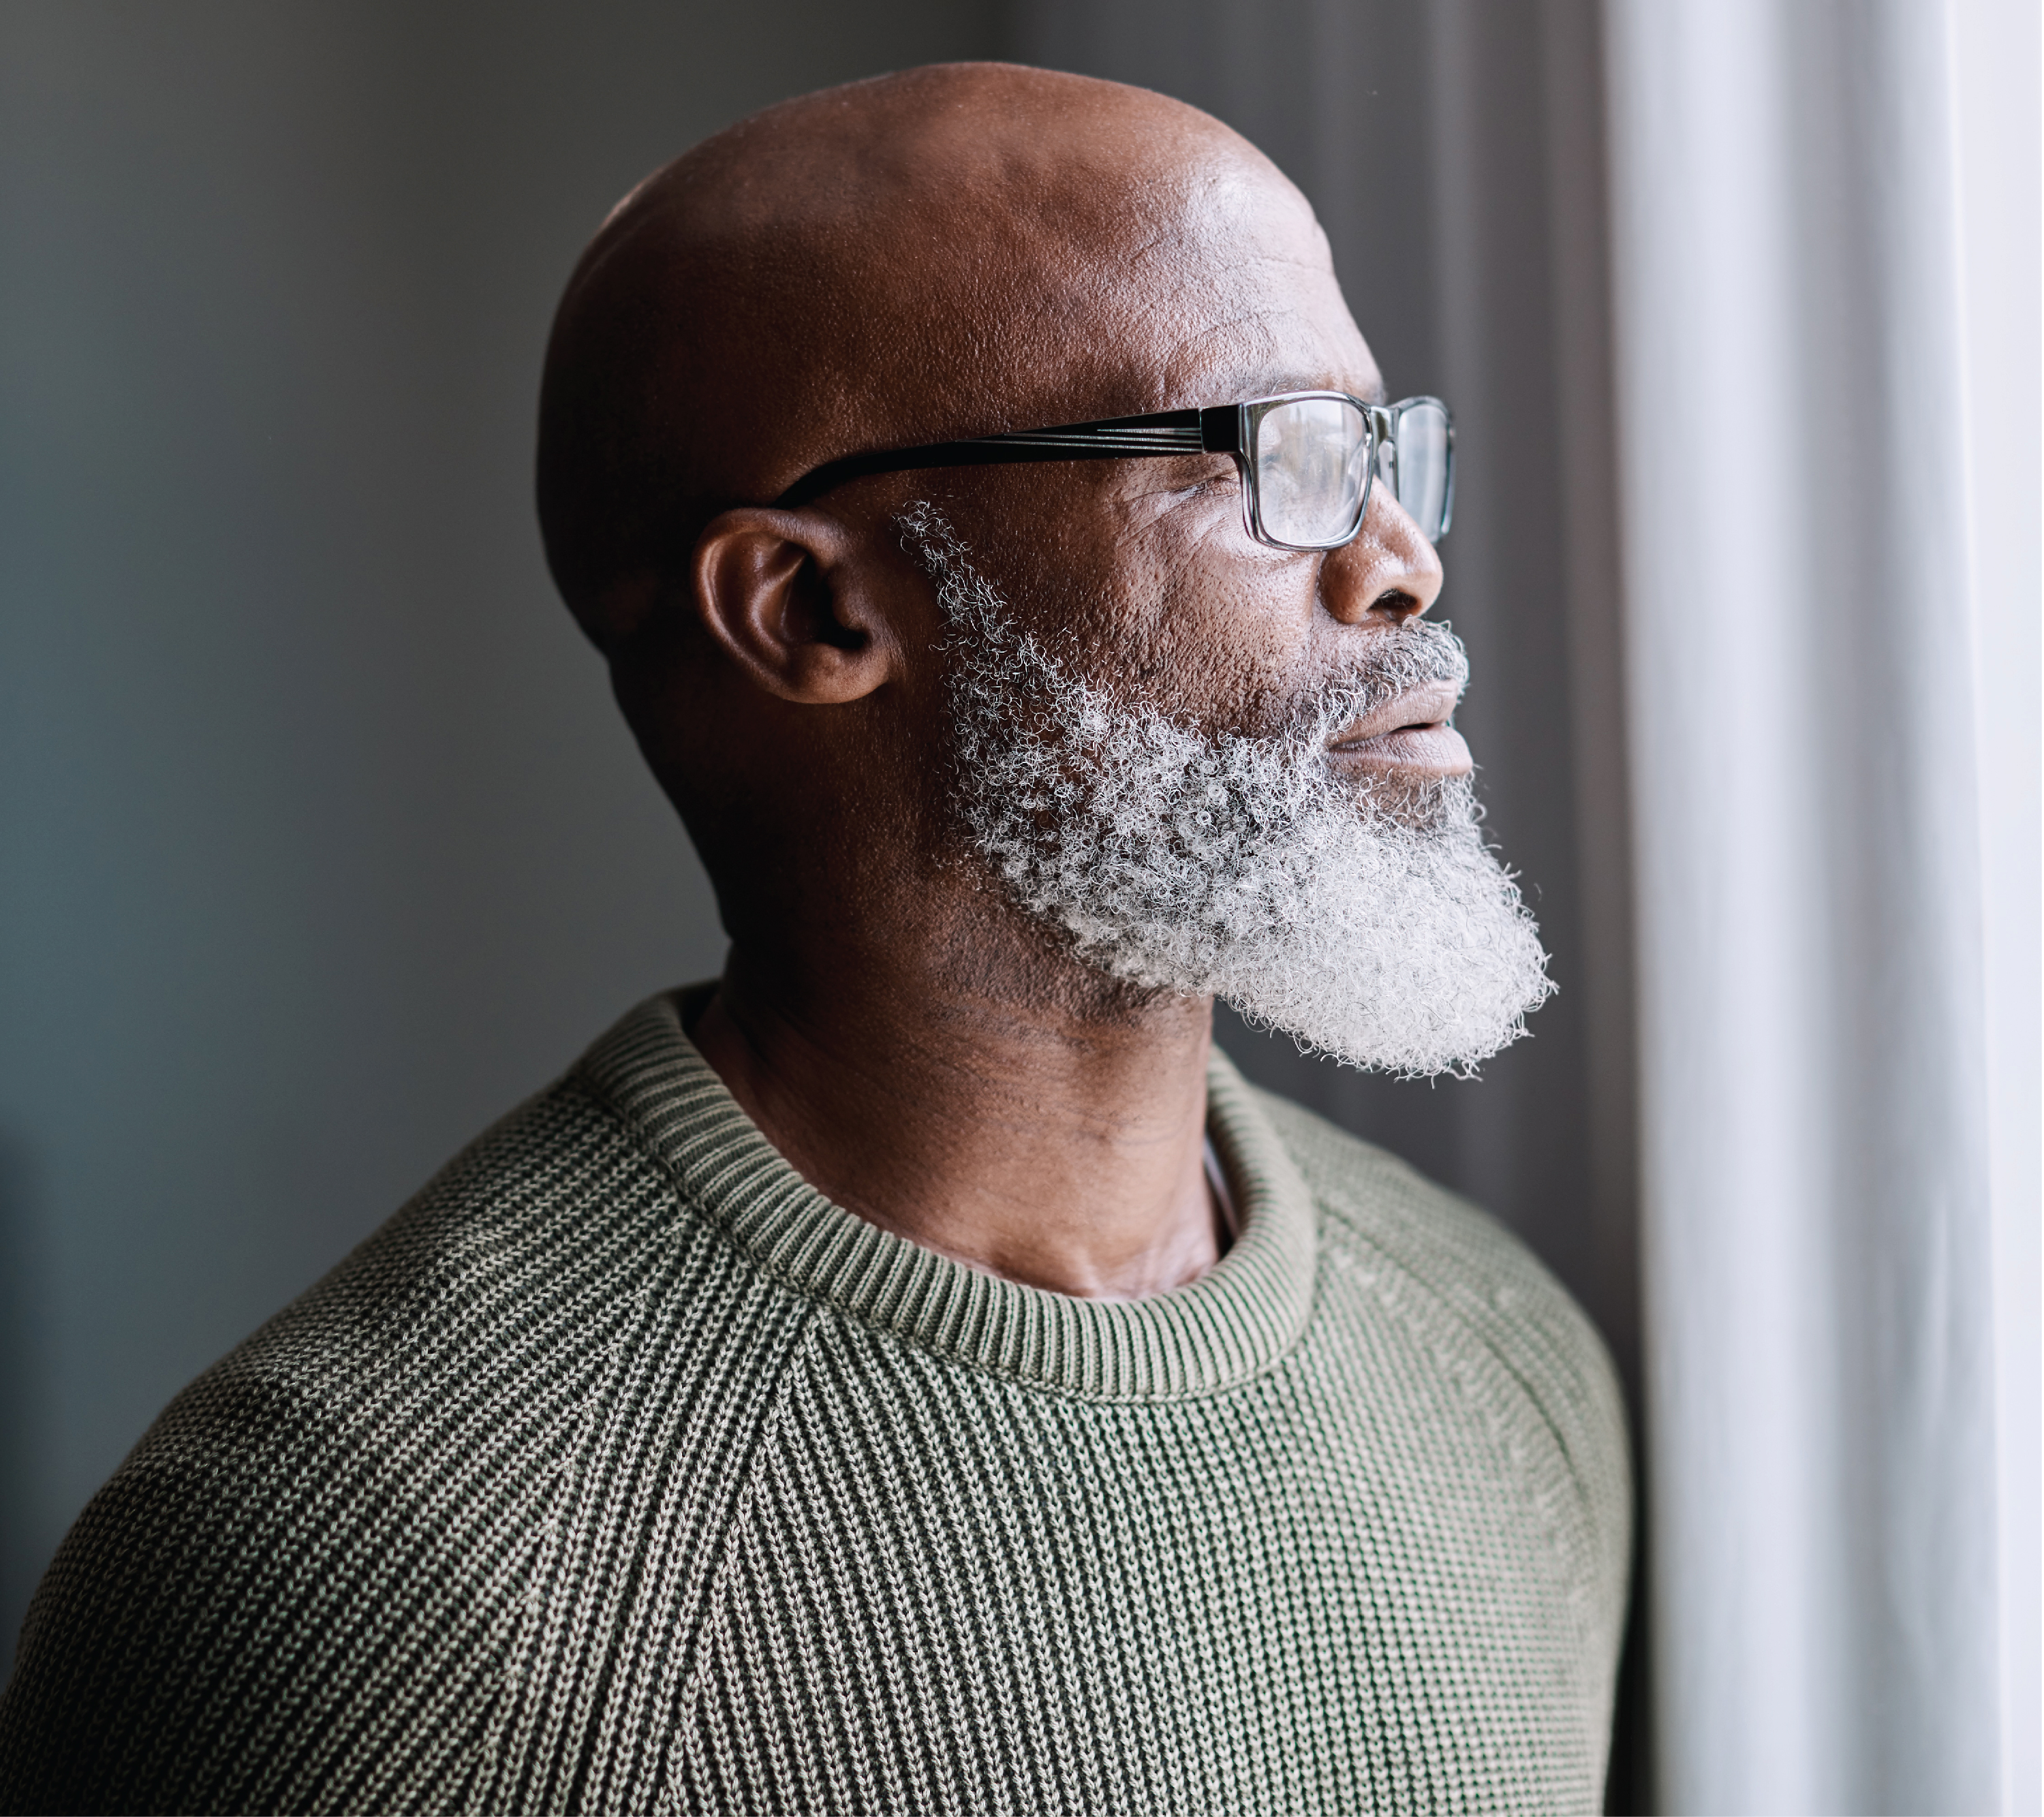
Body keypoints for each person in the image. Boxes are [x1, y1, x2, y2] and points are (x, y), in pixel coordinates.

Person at [0, 62, 1629, 1816]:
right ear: (815, 609)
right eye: (1268, 454)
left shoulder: (1503, 1358)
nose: (1402, 561)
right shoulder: (340, 1589)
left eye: (1389, 449)